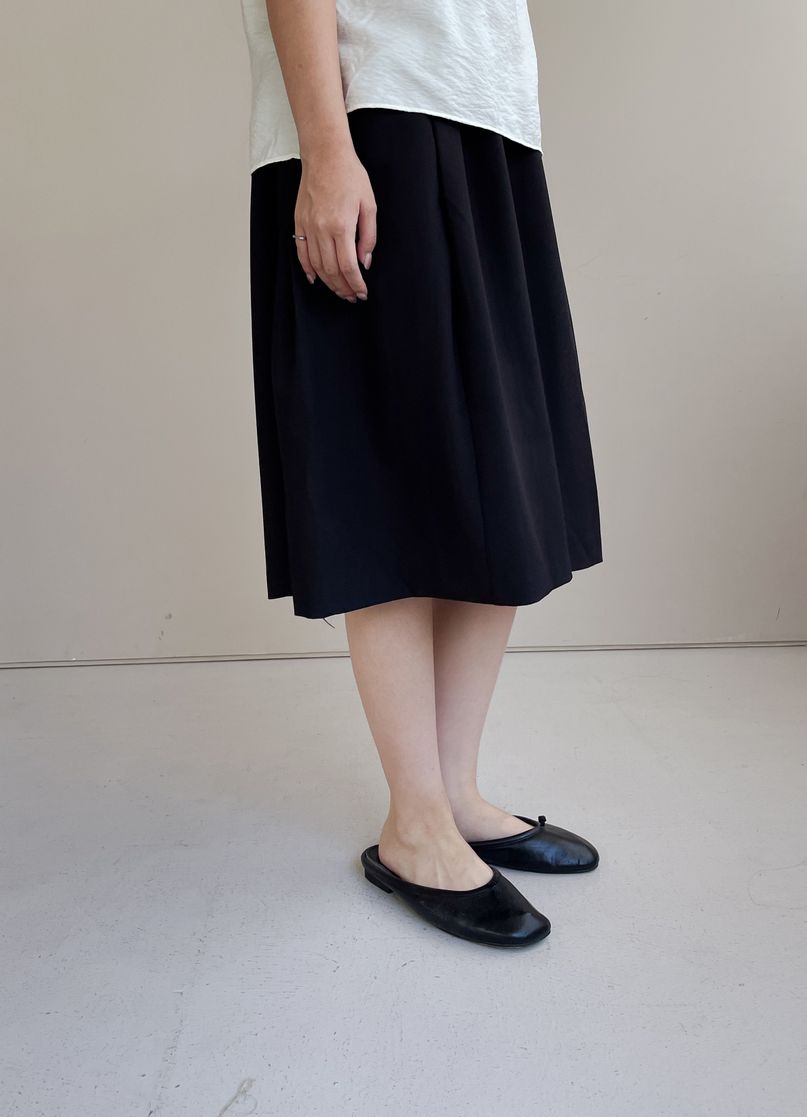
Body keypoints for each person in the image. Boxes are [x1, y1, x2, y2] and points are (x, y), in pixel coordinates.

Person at [240, 0, 604, 947]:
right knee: (393, 468)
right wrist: (327, 151)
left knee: (500, 476)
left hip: (487, 120)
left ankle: (454, 793)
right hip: (377, 123)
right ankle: (414, 823)